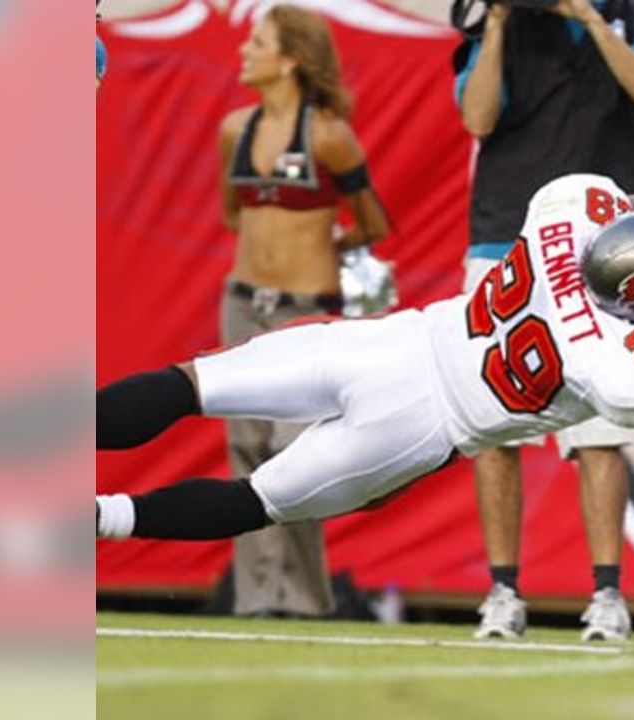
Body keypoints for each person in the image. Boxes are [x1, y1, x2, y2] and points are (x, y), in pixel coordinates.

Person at [96, 173, 634, 588]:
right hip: (420, 425)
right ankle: (86, 520)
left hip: (389, 345)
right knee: (252, 503)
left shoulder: (565, 214)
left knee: (187, 384)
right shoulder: (618, 359)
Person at [454, 0, 634, 640]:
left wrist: (588, 17)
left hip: (607, 246)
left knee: (604, 426)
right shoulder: (496, 17)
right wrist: (496, 22)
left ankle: (607, 593)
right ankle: (502, 591)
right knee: (497, 426)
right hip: (507, 241)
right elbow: (477, 115)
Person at [215, 5, 390, 618]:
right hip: (241, 303)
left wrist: (324, 245)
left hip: (308, 308)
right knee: (245, 448)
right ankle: (254, 599)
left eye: (256, 42)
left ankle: (306, 600)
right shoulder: (235, 128)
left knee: (296, 456)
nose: (244, 51)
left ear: (289, 58)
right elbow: (234, 213)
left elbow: (374, 222)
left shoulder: (329, 136)